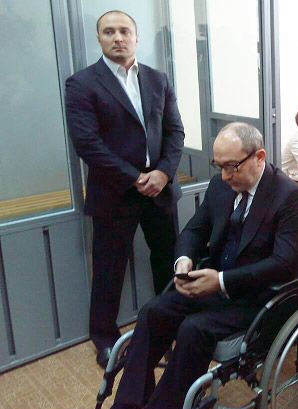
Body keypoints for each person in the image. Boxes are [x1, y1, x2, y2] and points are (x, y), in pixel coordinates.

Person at [107, 122, 298, 409]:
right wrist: (184, 261)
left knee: (193, 329)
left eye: (232, 167)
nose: (224, 176)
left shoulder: (288, 196)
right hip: (211, 283)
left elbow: (284, 263)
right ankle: (126, 406)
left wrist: (222, 281)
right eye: (219, 166)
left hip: (255, 297)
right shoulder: (220, 186)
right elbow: (194, 230)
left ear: (259, 157)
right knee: (153, 312)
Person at [64, 10, 184, 368]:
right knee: (108, 270)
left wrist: (163, 173)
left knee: (167, 261)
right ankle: (104, 339)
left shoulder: (157, 79)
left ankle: (169, 327)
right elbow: (87, 144)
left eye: (124, 31)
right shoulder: (82, 83)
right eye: (108, 32)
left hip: (159, 189)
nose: (117, 37)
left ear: (136, 36)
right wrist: (134, 177)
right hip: (114, 192)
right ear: (99, 38)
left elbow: (175, 132)